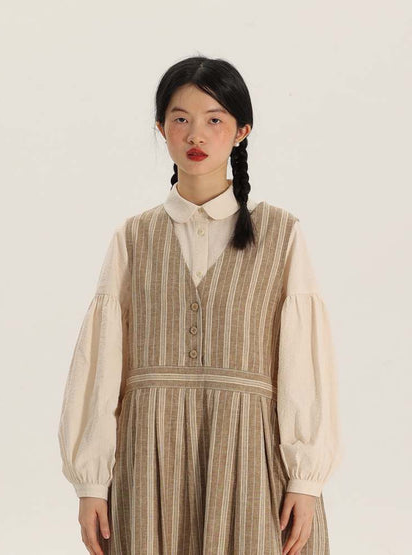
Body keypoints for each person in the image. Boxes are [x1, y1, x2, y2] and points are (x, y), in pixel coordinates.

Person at [58, 55, 342, 555]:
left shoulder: (281, 234)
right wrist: (91, 483)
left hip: (250, 456)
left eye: (214, 120)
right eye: (180, 119)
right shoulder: (133, 238)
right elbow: (100, 364)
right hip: (149, 459)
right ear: (161, 129)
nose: (196, 135)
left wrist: (306, 478)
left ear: (241, 131)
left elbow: (303, 361)